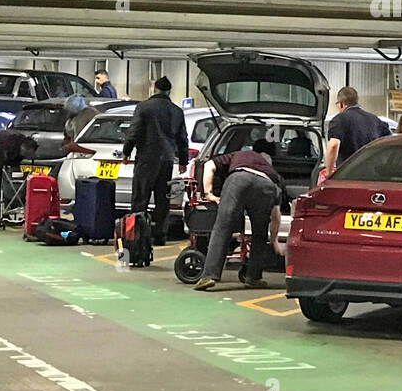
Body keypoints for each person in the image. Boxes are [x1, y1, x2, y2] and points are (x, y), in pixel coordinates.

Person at [192, 138, 285, 291]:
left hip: (238, 180)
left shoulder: (240, 154)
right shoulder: (274, 173)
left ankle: (209, 276)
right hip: (266, 186)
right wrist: (274, 240)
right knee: (260, 234)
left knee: (223, 227)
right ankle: (253, 278)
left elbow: (208, 165)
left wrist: (208, 193)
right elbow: (276, 214)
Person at [121, 76, 188, 246]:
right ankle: (160, 236)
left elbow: (134, 131)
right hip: (166, 160)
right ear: (169, 91)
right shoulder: (177, 111)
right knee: (162, 200)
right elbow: (182, 138)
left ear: (155, 89)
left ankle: (136, 236)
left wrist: (126, 151)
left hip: (146, 158)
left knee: (140, 198)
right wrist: (183, 161)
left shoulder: (144, 107)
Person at [324, 86, 391, 175]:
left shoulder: (339, 119)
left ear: (341, 104)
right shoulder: (374, 119)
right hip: (372, 174)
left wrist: (329, 172)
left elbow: (333, 145)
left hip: (347, 175)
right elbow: (389, 141)